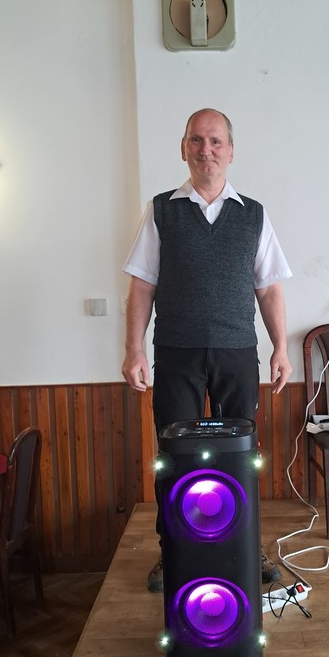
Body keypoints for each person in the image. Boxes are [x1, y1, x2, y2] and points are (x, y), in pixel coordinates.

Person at [121, 108, 292, 592]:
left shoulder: (253, 214)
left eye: (216, 141)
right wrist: (134, 350)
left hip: (237, 352)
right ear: (184, 148)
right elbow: (141, 287)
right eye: (196, 140)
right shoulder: (162, 211)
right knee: (175, 458)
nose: (206, 150)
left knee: (241, 457)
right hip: (177, 353)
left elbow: (269, 289)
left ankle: (247, 546)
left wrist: (281, 348)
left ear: (231, 151)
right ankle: (173, 552)